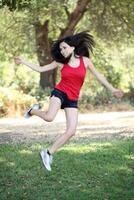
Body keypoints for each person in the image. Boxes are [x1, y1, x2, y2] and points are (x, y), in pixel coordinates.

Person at [15, 31, 123, 171]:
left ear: (72, 48)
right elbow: (41, 69)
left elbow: (99, 76)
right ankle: (32, 110)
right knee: (49, 117)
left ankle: (47, 153)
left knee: (71, 131)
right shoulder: (60, 63)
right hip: (60, 93)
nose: (62, 50)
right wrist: (23, 61)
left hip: (73, 98)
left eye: (64, 48)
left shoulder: (85, 61)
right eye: (60, 49)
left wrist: (113, 89)